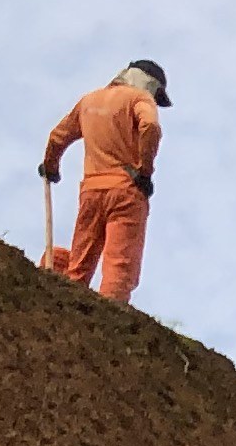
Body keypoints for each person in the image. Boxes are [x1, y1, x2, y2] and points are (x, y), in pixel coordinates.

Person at [42, 59, 172, 307]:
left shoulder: (88, 101)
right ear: (150, 84)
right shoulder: (139, 100)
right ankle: (112, 319)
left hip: (91, 192)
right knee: (120, 265)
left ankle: (65, 307)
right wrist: (144, 171)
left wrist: (50, 166)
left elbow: (57, 137)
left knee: (80, 263)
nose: (155, 100)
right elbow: (150, 126)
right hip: (126, 192)